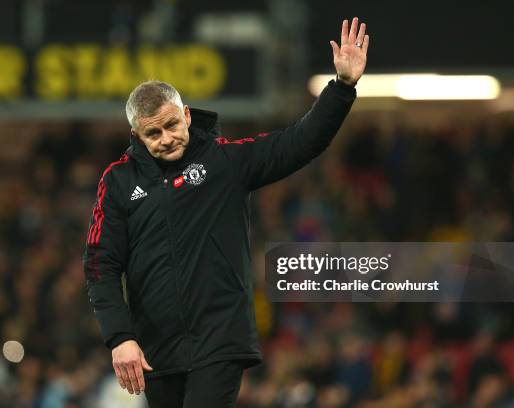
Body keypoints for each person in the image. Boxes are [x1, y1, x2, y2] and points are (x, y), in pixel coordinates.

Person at [83, 17, 369, 408]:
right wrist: (120, 337)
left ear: (186, 114)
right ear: (137, 135)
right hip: (154, 352)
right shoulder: (117, 182)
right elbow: (101, 265)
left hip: (219, 341)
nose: (166, 138)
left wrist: (342, 87)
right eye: (153, 133)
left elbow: (298, 143)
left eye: (171, 125)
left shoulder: (224, 162)